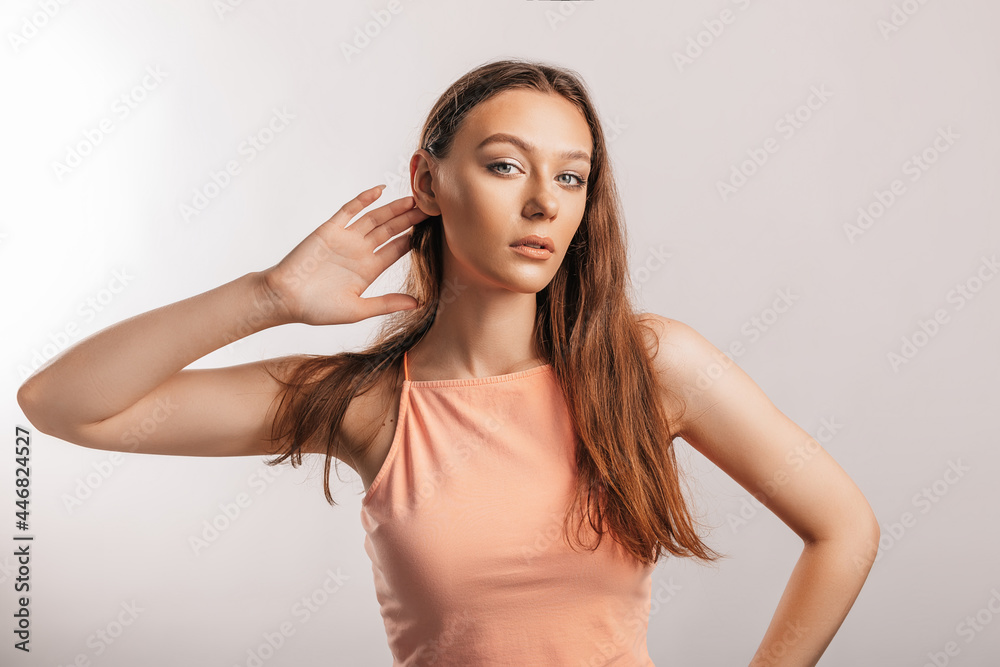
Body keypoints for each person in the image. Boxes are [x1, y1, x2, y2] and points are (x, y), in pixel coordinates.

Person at [17, 58, 879, 666]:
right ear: (428, 183)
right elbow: (63, 403)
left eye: (572, 178)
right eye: (506, 165)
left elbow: (844, 528)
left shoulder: (649, 365)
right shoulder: (363, 403)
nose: (544, 201)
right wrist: (267, 297)